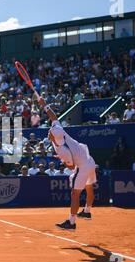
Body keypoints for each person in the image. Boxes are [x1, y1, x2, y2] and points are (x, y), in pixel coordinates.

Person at [37, 93, 97, 231]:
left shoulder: (62, 149)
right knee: (89, 187)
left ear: (52, 136)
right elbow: (54, 117)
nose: (49, 131)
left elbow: (72, 165)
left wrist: (63, 159)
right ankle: (87, 211)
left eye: (50, 132)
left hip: (82, 165)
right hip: (89, 159)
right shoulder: (60, 133)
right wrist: (44, 105)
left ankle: (71, 222)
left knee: (75, 194)